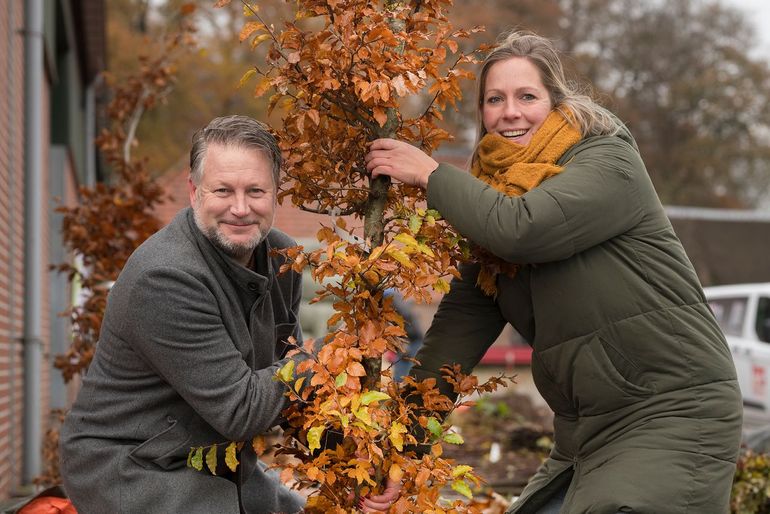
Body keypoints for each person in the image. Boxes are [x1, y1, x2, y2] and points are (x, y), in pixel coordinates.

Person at [366, 31, 743, 514]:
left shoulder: (606, 161)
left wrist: (430, 175)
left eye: (527, 97)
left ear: (556, 101)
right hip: (588, 431)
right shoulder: (490, 202)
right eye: (494, 99)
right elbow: (452, 340)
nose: (510, 112)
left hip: (674, 414)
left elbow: (523, 230)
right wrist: (401, 451)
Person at [60, 115, 397, 513]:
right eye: (223, 190)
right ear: (194, 191)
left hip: (217, 462)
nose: (240, 208)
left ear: (275, 194)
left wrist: (354, 460)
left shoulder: (281, 257)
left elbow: (289, 383)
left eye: (255, 190)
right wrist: (338, 351)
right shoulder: (165, 278)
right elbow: (241, 410)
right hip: (135, 467)